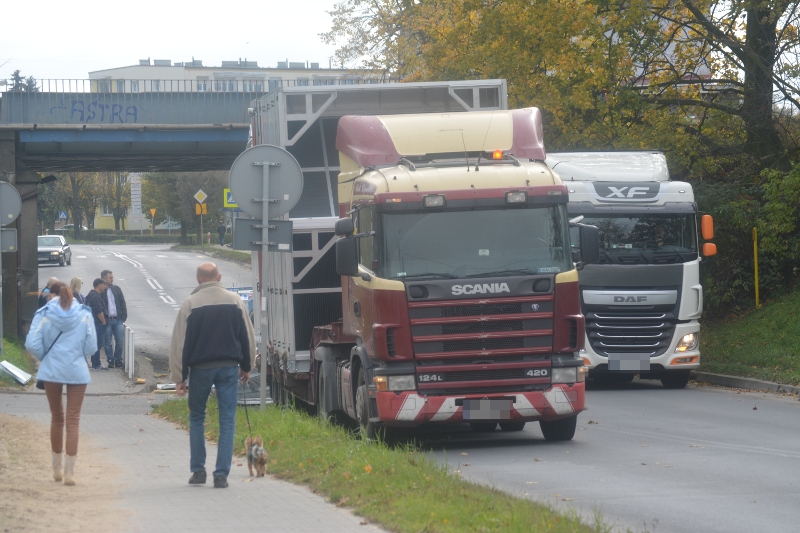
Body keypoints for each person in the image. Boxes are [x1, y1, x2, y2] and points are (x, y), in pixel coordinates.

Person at [169, 262, 255, 489]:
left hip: (200, 370)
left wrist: (180, 377)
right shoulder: (235, 302)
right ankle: (221, 475)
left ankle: (198, 471)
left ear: (198, 280)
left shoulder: (190, 304)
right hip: (228, 368)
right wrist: (247, 366)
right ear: (219, 277)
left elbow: (180, 343)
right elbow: (247, 336)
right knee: (227, 420)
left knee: (197, 417)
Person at [25, 280, 97, 486]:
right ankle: (69, 473)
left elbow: (32, 343)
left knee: (57, 418)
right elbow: (91, 346)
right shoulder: (84, 313)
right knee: (73, 420)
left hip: (51, 370)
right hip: (77, 370)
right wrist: (76, 354)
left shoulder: (44, 313)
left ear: (50, 295)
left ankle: (55, 469)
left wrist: (46, 356)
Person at [100, 270, 127, 369]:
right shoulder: (102, 291)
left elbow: (122, 302)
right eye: (110, 278)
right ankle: (110, 360)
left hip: (118, 319)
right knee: (107, 342)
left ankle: (118, 359)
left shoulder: (116, 289)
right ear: (104, 279)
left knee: (120, 341)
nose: (112, 279)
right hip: (107, 320)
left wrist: (123, 317)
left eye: (112, 277)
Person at [84, 278, 109, 371]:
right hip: (98, 324)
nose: (104, 287)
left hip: (93, 323)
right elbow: (99, 311)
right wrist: (103, 322)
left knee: (95, 344)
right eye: (103, 284)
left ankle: (95, 363)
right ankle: (96, 364)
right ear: (99, 285)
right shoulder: (95, 297)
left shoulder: (91, 295)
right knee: (97, 344)